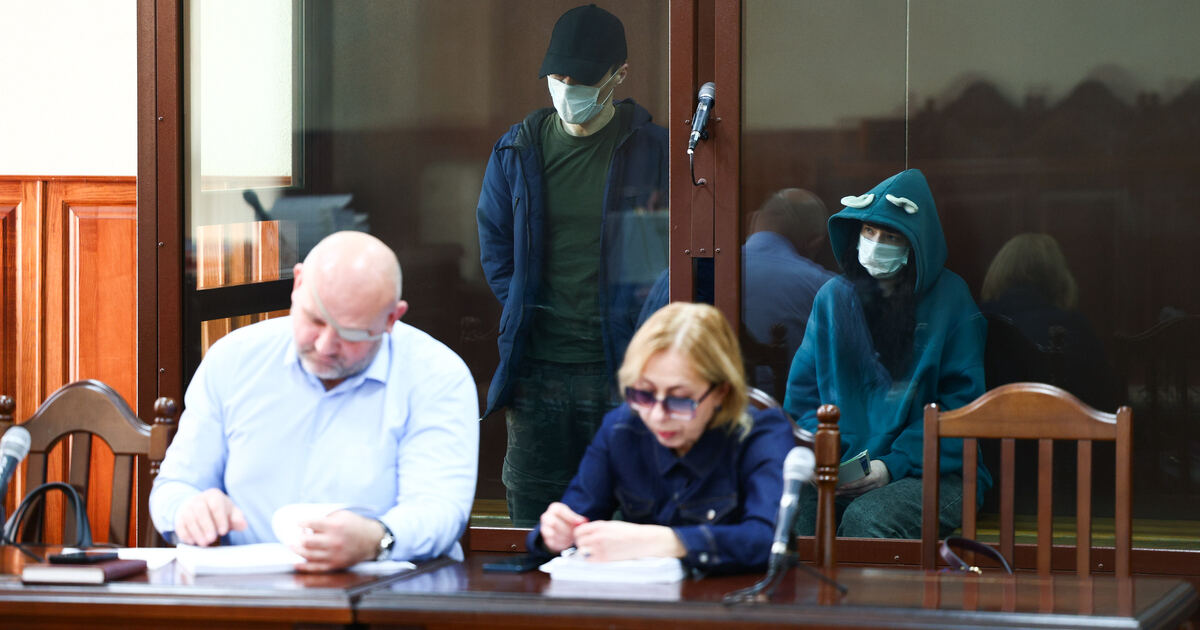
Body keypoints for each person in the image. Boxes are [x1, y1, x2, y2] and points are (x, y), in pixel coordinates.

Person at [149, 231, 479, 571]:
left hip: (386, 588)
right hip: (247, 586)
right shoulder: (234, 360)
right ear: (297, 284)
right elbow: (175, 487)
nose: (325, 346)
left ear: (391, 319)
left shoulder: (435, 375)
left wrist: (375, 539)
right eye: (315, 320)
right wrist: (188, 510)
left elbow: (439, 509)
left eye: (351, 333)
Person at [476, 4, 669, 526]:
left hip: (624, 367)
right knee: (534, 520)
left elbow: (675, 257)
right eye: (558, 78)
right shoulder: (517, 150)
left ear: (618, 76)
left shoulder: (656, 152)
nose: (567, 90)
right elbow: (496, 247)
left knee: (631, 514)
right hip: (536, 368)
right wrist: (525, 305)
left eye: (582, 81)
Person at [784, 169, 989, 539]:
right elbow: (802, 398)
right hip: (841, 467)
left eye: (891, 236)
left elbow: (962, 410)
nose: (876, 244)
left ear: (916, 243)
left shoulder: (953, 301)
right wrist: (819, 455)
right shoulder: (833, 298)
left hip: (935, 469)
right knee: (789, 511)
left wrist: (892, 465)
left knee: (868, 519)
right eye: (869, 231)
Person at [528, 302, 793, 574]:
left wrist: (670, 541)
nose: (657, 416)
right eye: (643, 394)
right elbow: (576, 515)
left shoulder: (762, 433)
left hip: (740, 597)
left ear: (721, 392)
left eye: (679, 399)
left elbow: (769, 540)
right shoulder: (621, 428)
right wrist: (554, 534)